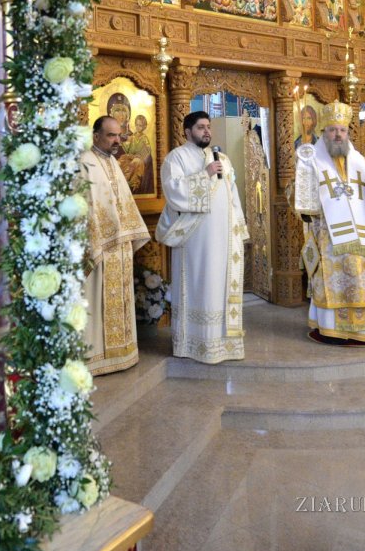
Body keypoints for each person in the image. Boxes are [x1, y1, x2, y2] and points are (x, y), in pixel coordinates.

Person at [294, 101, 365, 344]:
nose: (338, 135)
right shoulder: (312, 161)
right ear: (324, 132)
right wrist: (303, 174)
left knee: (360, 280)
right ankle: (331, 329)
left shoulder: (361, 161)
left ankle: (362, 330)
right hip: (328, 237)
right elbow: (298, 197)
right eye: (333, 130)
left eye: (342, 130)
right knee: (332, 282)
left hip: (360, 237)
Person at [157, 111, 249, 363]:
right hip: (196, 240)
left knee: (221, 286)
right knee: (200, 285)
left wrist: (239, 228)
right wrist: (204, 174)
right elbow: (173, 192)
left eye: (208, 126)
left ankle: (223, 343)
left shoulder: (223, 159)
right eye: (200, 127)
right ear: (188, 132)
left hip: (223, 237)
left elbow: (232, 194)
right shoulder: (176, 157)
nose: (207, 131)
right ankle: (194, 344)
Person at [81, 117, 151, 374]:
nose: (117, 141)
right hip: (99, 244)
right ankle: (96, 356)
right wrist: (102, 234)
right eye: (111, 135)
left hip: (119, 246)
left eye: (119, 136)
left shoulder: (114, 163)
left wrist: (126, 231)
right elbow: (85, 205)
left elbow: (124, 202)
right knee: (95, 299)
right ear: (96, 136)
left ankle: (123, 352)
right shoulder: (84, 163)